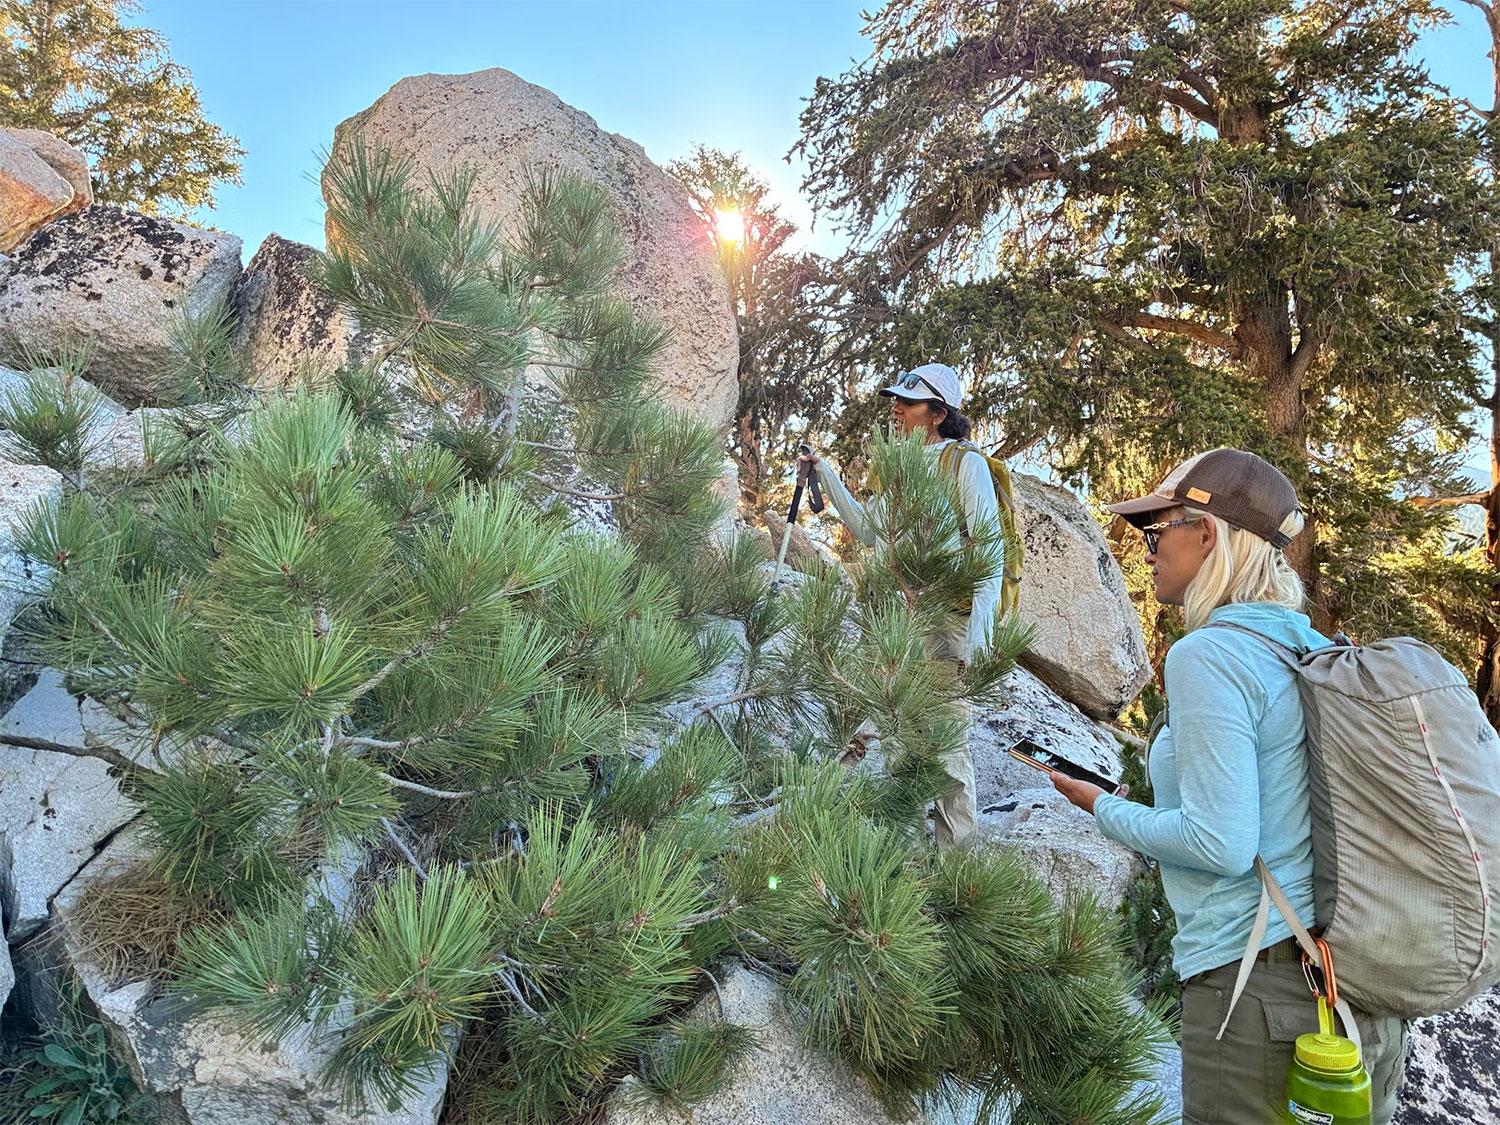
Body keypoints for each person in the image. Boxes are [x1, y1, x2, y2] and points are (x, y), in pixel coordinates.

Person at [1048, 448, 1408, 1124]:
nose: (1147, 551)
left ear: (1206, 533)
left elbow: (1220, 841)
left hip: (1257, 996)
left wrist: (1104, 808)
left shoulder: (1209, 654)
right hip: (1350, 994)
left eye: (1155, 534)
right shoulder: (1307, 648)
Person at [798, 362, 1003, 849]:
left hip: (948, 624)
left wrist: (977, 640)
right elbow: (869, 532)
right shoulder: (899, 469)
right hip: (902, 623)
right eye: (896, 400)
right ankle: (904, 868)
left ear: (937, 412)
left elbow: (988, 553)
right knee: (893, 743)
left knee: (947, 751)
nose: (896, 409)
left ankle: (956, 879)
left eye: (907, 402)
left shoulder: (964, 462)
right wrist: (824, 474)